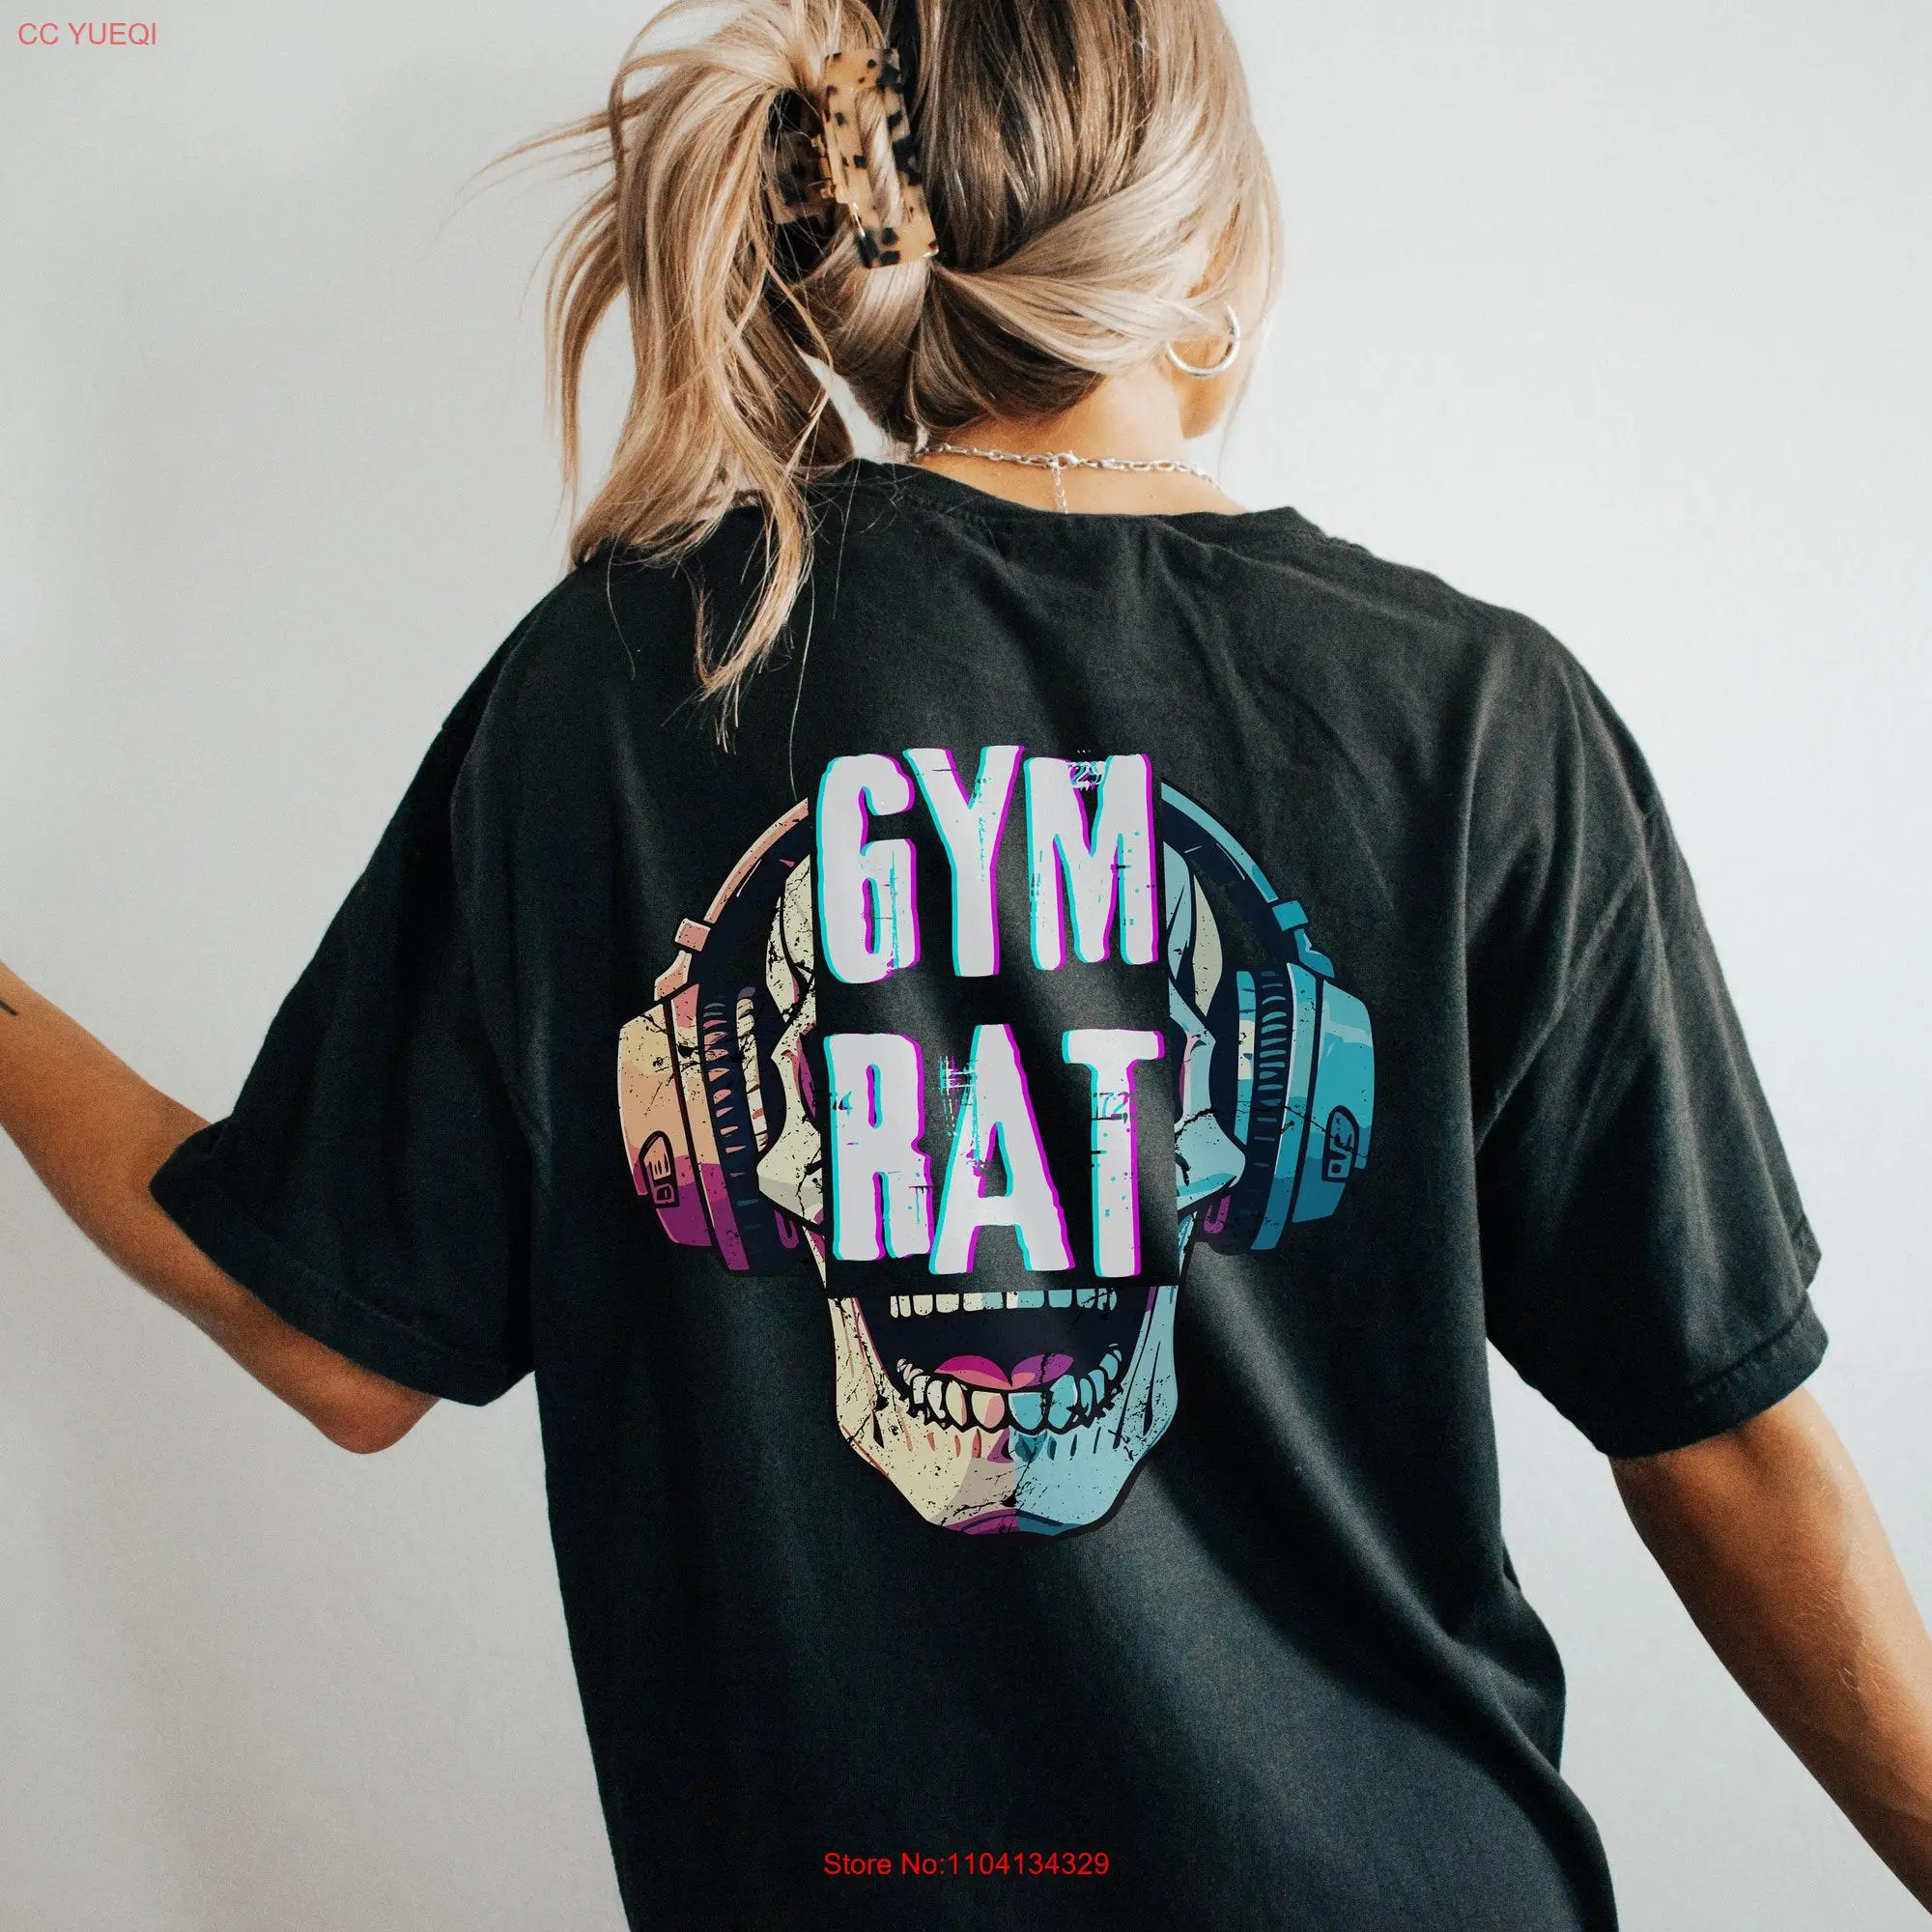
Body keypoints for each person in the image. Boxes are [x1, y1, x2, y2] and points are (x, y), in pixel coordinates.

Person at [2, 0, 1928, 1924]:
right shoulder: (1476, 720)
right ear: (1218, 243)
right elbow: (1724, 1452)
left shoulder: (619, 687)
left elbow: (331, 1341)